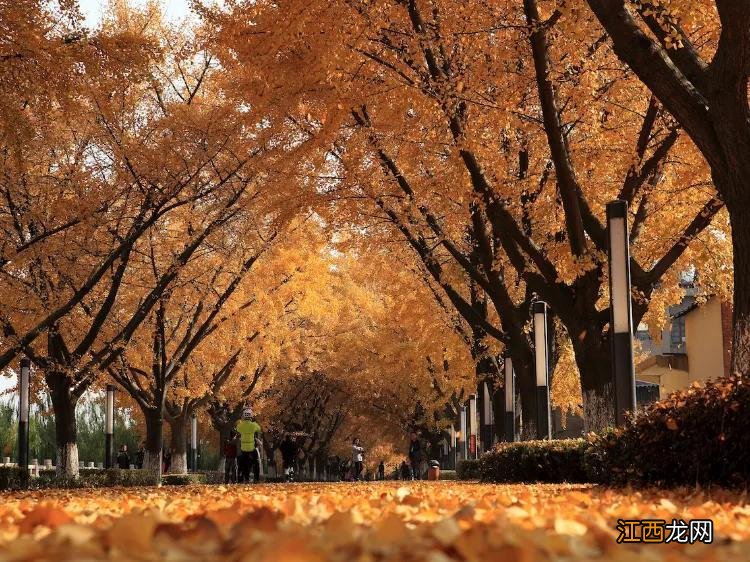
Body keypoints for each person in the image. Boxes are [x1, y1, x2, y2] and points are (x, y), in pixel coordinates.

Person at [235, 407, 262, 483]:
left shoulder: (240, 425)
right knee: (256, 463)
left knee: (242, 465)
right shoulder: (254, 425)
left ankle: (241, 479)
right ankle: (256, 479)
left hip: (243, 449)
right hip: (252, 448)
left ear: (243, 416)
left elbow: (237, 429)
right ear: (251, 416)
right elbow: (259, 429)